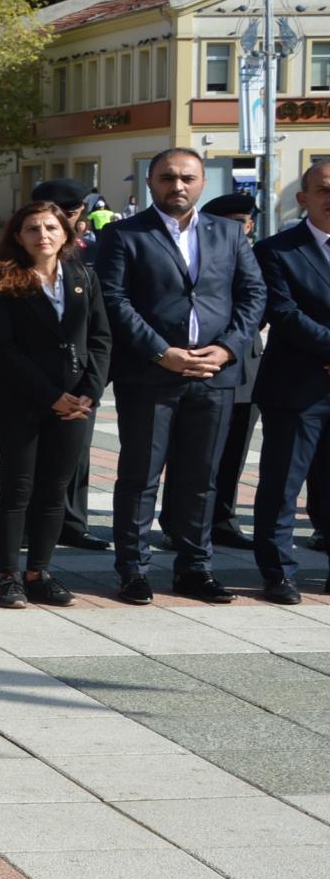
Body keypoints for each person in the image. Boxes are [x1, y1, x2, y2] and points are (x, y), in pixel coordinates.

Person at [93, 148, 264, 605]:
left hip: (213, 375)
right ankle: (134, 569)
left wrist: (227, 349)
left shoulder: (229, 233)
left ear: (203, 183)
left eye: (188, 178)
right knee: (140, 476)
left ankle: (195, 568)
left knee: (201, 478)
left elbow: (253, 294)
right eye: (168, 177)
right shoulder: (123, 234)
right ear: (150, 182)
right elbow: (113, 299)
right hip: (150, 375)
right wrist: (160, 352)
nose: (178, 186)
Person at [0, 201, 111, 608]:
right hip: (20, 401)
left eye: (51, 227)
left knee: (55, 489)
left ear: (66, 233)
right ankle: (8, 577)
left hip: (75, 404)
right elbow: (4, 349)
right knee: (17, 488)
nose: (43, 236)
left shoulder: (83, 276)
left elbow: (100, 339)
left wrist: (90, 391)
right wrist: (51, 396)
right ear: (18, 236)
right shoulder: (1, 280)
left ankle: (39, 571)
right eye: (33, 229)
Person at [251, 160, 330, 604]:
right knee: (283, 486)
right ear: (303, 198)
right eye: (324, 189)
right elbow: (283, 313)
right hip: (296, 388)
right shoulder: (276, 250)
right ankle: (278, 572)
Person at [30, 178, 110, 553]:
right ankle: (32, 524)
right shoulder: (15, 256)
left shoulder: (87, 252)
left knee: (77, 456)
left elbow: (100, 329)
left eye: (73, 213)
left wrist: (92, 387)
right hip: (32, 381)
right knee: (31, 459)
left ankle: (72, 523)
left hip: (79, 378)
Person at [199, 192, 261, 551]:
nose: (243, 229)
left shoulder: (257, 256)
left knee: (235, 449)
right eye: (235, 223)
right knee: (195, 453)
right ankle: (179, 521)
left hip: (247, 364)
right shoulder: (202, 254)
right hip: (207, 360)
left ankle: (223, 520)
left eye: (246, 223)